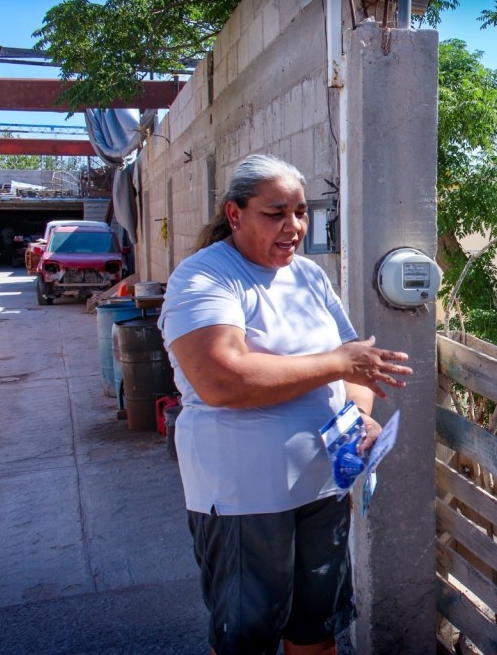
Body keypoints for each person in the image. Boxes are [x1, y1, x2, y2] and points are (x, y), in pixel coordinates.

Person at [158, 154, 413, 655]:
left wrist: (360, 414)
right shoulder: (205, 278)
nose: (293, 226)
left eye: (300, 212)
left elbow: (354, 363)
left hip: (322, 488)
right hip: (244, 498)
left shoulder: (309, 276)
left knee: (316, 633)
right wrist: (337, 363)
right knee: (246, 641)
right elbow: (222, 379)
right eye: (276, 213)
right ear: (235, 214)